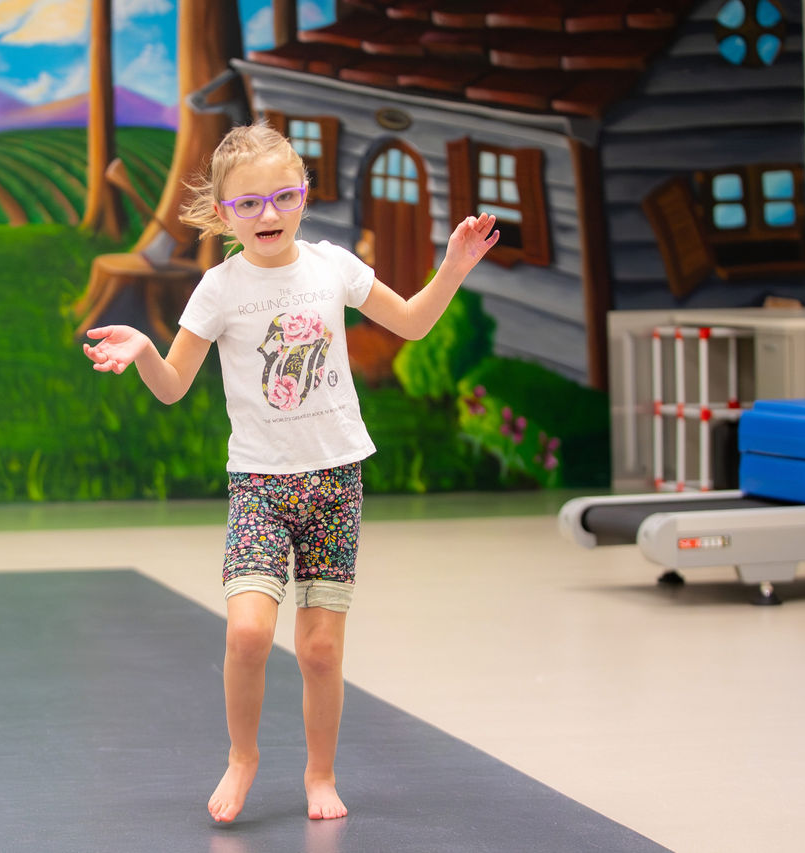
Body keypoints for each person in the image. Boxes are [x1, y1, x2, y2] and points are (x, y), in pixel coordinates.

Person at [82, 123, 499, 824]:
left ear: (304, 194)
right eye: (249, 204)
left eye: (283, 196)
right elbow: (174, 385)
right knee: (247, 633)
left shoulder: (333, 267)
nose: (268, 214)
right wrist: (148, 351)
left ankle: (321, 771)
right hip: (260, 486)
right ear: (223, 215)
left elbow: (413, 323)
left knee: (320, 648)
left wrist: (452, 266)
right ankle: (242, 756)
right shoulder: (218, 289)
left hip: (336, 481)